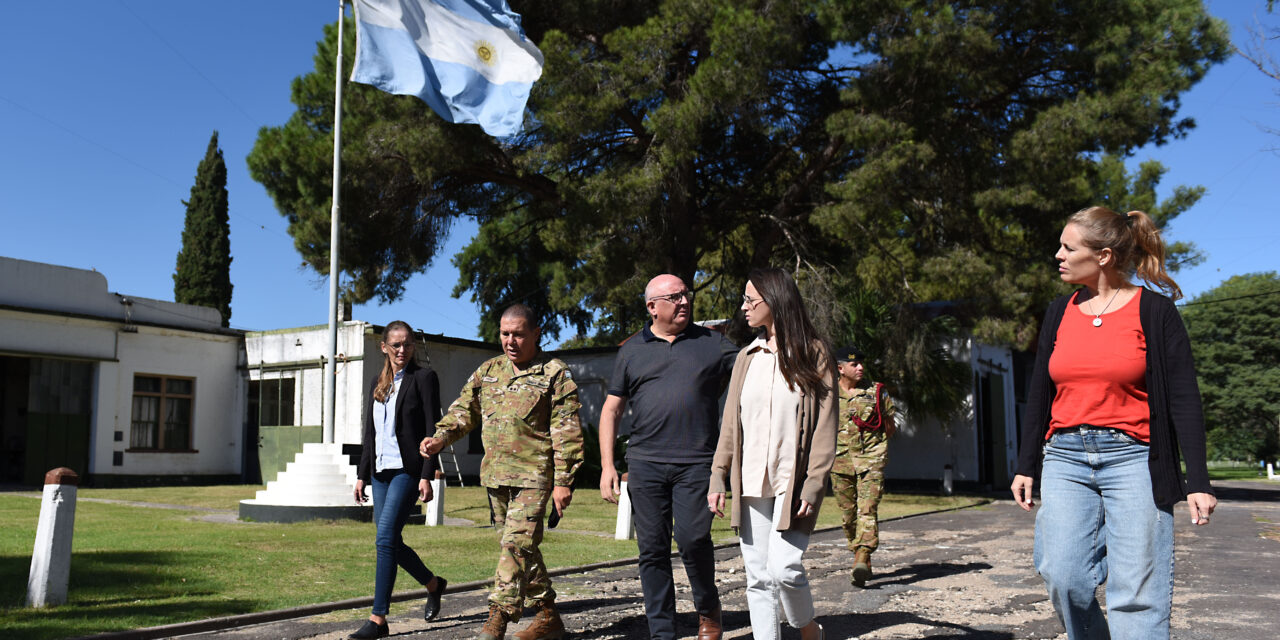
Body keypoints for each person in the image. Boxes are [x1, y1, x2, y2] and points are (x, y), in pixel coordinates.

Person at [1010, 206, 1216, 640]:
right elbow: (1040, 395)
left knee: (1137, 590)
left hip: (1136, 459)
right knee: (1063, 574)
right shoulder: (1059, 311)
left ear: (1103, 256)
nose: (1058, 255)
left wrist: (1197, 479)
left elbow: (1184, 399)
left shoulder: (1155, 312)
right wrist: (1026, 462)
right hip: (1065, 456)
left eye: (1068, 247)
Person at [420, 304, 583, 640]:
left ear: (536, 334)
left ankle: (497, 619)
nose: (511, 341)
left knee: (515, 546)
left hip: (533, 478)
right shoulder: (488, 370)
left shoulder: (555, 373)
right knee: (521, 550)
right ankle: (549, 616)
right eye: (505, 334)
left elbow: (566, 431)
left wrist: (564, 481)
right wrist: (439, 438)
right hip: (495, 477)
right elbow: (464, 410)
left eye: (519, 334)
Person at [597, 274, 739, 640]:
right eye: (674, 297)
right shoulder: (631, 350)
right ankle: (662, 630)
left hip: (697, 462)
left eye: (685, 295)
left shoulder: (713, 343)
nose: (684, 301)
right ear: (652, 307)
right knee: (652, 549)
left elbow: (751, 374)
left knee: (693, 540)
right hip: (645, 464)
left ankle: (708, 609)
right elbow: (611, 410)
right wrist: (608, 466)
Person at [708, 267, 836, 640]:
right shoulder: (747, 356)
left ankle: (806, 626)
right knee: (758, 576)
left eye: (750, 300)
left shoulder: (814, 354)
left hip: (792, 484)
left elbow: (825, 427)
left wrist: (814, 485)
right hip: (750, 481)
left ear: (775, 302)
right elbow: (730, 424)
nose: (743, 307)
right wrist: (718, 475)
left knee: (785, 568)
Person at [350, 320, 448, 640]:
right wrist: (361, 475)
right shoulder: (377, 383)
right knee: (389, 539)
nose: (402, 350)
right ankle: (433, 584)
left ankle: (378, 618)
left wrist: (427, 474)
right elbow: (370, 433)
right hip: (379, 472)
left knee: (384, 539)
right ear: (384, 347)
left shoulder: (424, 378)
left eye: (407, 344)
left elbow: (433, 429)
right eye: (396, 345)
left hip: (408, 469)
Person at [828, 345, 895, 588]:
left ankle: (863, 555)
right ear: (840, 367)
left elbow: (889, 425)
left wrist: (878, 450)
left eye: (861, 363)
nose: (860, 368)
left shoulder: (876, 391)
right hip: (839, 460)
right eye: (854, 364)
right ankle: (859, 554)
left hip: (871, 461)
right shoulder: (826, 393)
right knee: (848, 516)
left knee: (867, 508)